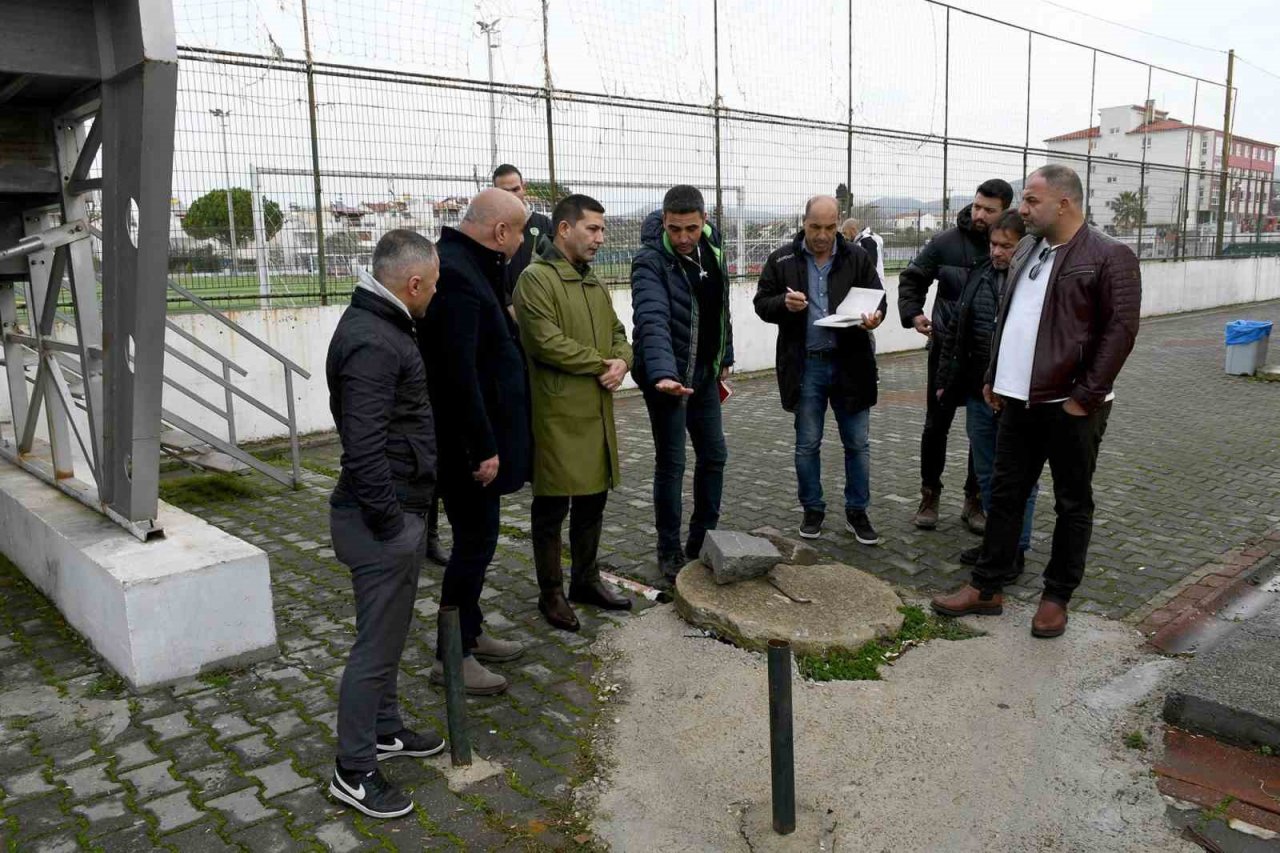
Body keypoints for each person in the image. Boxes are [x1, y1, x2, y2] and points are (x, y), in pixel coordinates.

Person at [931, 164, 1141, 638]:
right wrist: (995, 376)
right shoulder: (1029, 248)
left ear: (1063, 204)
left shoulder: (1109, 255)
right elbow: (1011, 318)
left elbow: (1120, 331)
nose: (1021, 209)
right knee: (1004, 494)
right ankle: (987, 586)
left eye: (1030, 200)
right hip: (1017, 399)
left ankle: (1056, 597)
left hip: (1071, 405)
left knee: (1072, 502)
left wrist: (1084, 397)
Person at [326, 230, 444, 820]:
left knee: (389, 634)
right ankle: (353, 771)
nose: (436, 294)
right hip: (379, 519)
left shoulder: (384, 325)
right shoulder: (374, 340)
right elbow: (363, 447)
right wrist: (394, 525)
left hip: (393, 512)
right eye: (434, 285)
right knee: (374, 648)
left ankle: (385, 729)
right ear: (414, 283)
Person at [421, 188, 532, 695]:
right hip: (468, 449)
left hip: (479, 439)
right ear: (501, 231)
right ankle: (452, 656)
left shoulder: (472, 264)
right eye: (521, 231)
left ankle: (472, 629)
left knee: (480, 541)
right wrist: (482, 447)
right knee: (474, 544)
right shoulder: (457, 274)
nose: (524, 241)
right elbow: (456, 374)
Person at [514, 194, 634, 630]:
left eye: (602, 230)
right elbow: (545, 343)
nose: (600, 238)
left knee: (593, 501)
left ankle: (586, 580)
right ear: (564, 229)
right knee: (551, 508)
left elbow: (618, 331)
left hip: (596, 412)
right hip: (557, 415)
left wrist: (623, 361)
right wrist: (603, 364)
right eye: (593, 229)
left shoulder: (592, 281)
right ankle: (551, 593)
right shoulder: (535, 279)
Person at [754, 196, 885, 544]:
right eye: (815, 227)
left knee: (857, 444)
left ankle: (857, 512)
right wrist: (783, 304)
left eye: (829, 227)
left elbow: (879, 298)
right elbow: (761, 303)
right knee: (807, 444)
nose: (823, 235)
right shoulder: (782, 259)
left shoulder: (856, 256)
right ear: (804, 223)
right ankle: (812, 509)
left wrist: (875, 317)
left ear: (838, 223)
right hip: (806, 366)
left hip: (850, 364)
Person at [631, 185, 734, 584]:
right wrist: (663, 374)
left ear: (704, 220)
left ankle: (702, 538)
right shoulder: (650, 260)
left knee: (715, 455)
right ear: (664, 222)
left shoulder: (713, 247)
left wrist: (724, 355)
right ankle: (669, 550)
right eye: (674, 229)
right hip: (667, 381)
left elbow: (719, 308)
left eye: (691, 228)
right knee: (672, 463)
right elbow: (652, 318)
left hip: (704, 374)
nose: (683, 238)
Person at [898, 179, 1014, 533]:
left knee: (983, 430)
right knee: (936, 425)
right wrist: (914, 313)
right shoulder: (945, 242)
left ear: (1005, 211)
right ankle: (929, 495)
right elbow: (912, 277)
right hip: (946, 351)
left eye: (989, 210)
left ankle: (974, 499)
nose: (980, 215)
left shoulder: (1014, 249)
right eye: (977, 206)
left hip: (987, 357)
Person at [934, 209, 1038, 575]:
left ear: (1024, 246)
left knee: (1019, 478)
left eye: (1006, 246)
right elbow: (956, 329)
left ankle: (1015, 550)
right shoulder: (980, 274)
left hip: (1017, 397)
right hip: (978, 393)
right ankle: (997, 542)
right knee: (986, 473)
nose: (996, 252)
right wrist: (946, 379)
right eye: (993, 244)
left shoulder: (1034, 282)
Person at [493, 163, 554, 309]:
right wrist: (508, 304)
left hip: (540, 308)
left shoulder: (543, 224)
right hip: (501, 311)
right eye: (504, 192)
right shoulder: (488, 228)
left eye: (516, 189)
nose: (512, 196)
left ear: (523, 187)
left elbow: (555, 265)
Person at [840, 217, 886, 288]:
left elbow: (870, 266)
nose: (844, 236)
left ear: (853, 230)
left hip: (871, 287)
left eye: (845, 233)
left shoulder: (867, 241)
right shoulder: (863, 241)